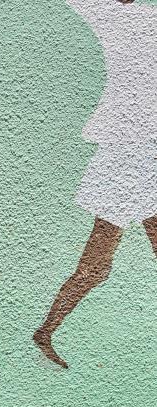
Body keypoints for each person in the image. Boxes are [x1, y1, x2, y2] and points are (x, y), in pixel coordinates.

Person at [34, 0, 157, 368]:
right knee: (96, 267)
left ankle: (45, 331)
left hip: (144, 152)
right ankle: (45, 331)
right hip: (126, 153)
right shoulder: (107, 13)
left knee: (96, 266)